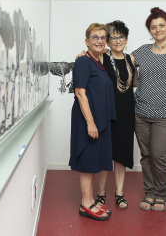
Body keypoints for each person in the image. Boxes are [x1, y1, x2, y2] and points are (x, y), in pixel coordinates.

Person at [134, 7, 166, 212]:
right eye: (153, 27)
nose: (158, 29)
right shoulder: (142, 51)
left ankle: (162, 194)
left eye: (162, 25)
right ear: (149, 31)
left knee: (158, 154)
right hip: (141, 112)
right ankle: (150, 192)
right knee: (145, 155)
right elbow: (119, 63)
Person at [69, 23, 116, 221]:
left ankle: (89, 199)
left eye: (103, 37)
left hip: (99, 119)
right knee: (88, 161)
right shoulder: (83, 62)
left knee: (95, 161)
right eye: (95, 37)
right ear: (87, 41)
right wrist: (90, 122)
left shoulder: (99, 61)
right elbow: (80, 93)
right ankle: (86, 204)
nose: (99, 41)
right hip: (88, 119)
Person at [92, 20, 137, 210]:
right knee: (105, 154)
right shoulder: (101, 57)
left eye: (121, 37)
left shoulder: (131, 59)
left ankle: (119, 193)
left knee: (122, 155)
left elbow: (133, 84)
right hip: (106, 112)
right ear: (107, 41)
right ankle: (101, 193)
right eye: (113, 37)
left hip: (126, 112)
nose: (118, 40)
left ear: (126, 39)